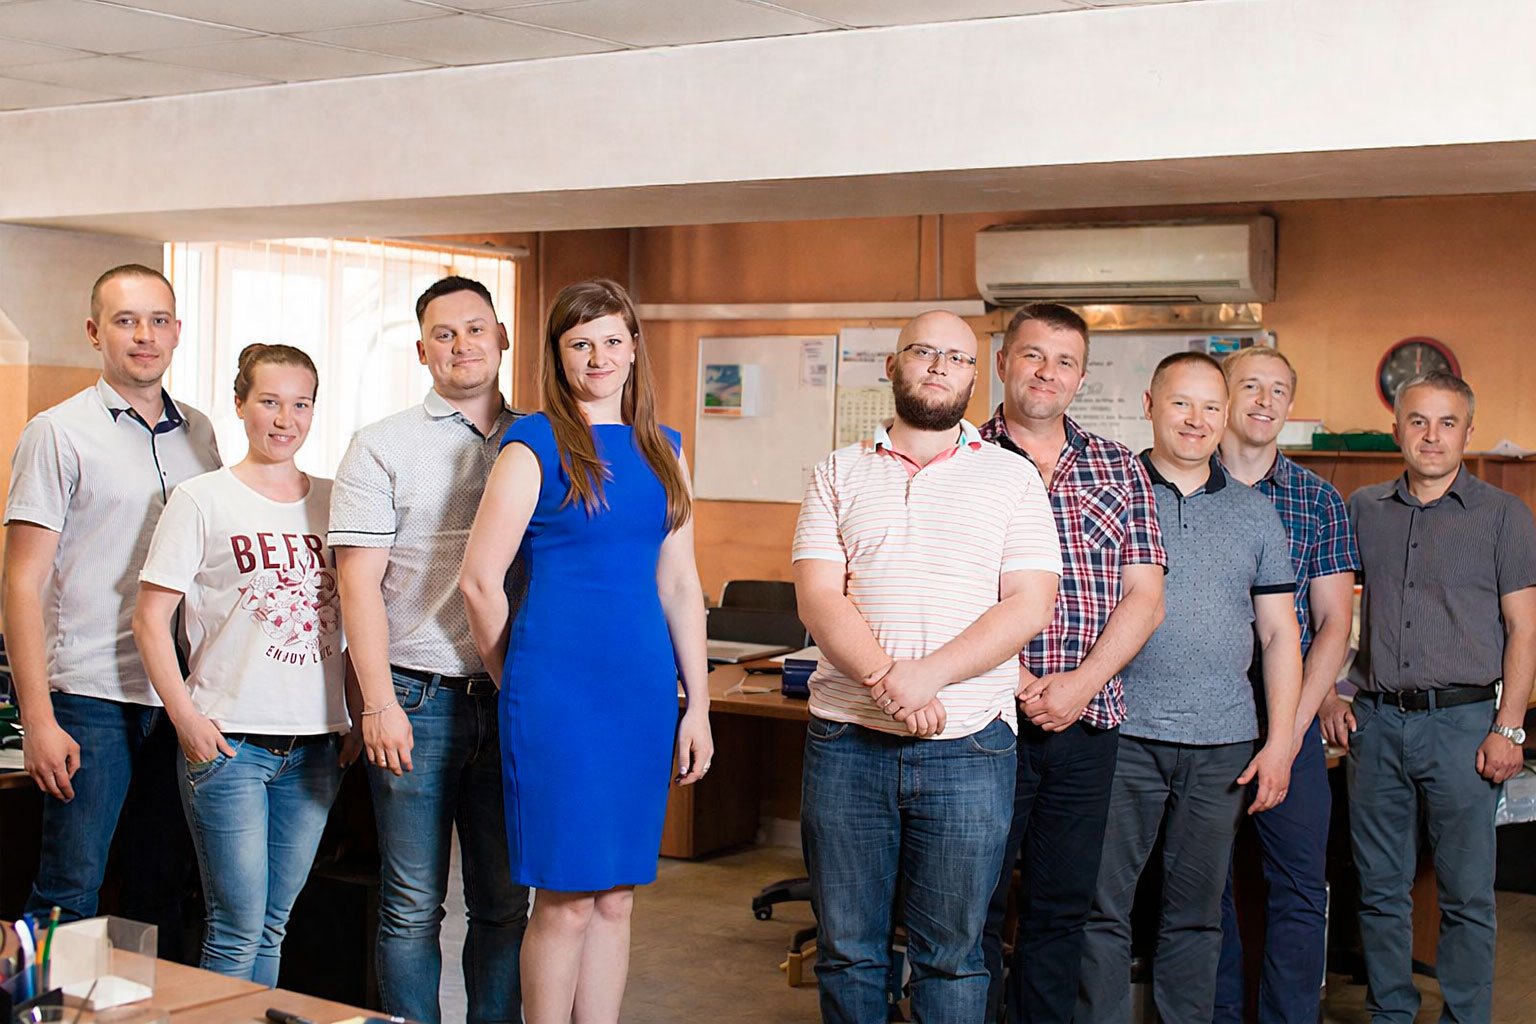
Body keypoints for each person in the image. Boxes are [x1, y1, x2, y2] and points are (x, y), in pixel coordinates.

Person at [794, 310, 1062, 1023]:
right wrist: (891, 682)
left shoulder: (1012, 476)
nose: (941, 366)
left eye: (958, 357)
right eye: (924, 352)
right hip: (847, 742)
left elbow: (1030, 603)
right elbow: (819, 597)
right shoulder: (838, 471)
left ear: (976, 376)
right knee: (848, 952)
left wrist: (928, 676)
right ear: (893, 365)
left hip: (970, 747)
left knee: (953, 957)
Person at [458, 278, 713, 1024]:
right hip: (557, 696)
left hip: (640, 695)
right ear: (557, 354)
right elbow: (479, 581)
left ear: (633, 348)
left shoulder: (665, 450)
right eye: (580, 344)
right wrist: (516, 678)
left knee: (617, 898)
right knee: (566, 899)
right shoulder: (533, 444)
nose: (597, 357)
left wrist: (697, 705)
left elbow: (679, 582)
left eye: (610, 340)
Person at [1076, 352, 1302, 1024]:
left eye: (1210, 406)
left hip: (1221, 745)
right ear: (1150, 405)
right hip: (1120, 732)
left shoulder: (1256, 514)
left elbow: (1279, 635)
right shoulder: (1113, 493)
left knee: (1197, 916)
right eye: (1181, 403)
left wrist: (1280, 742)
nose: (1196, 419)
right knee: (1101, 909)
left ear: (1226, 415)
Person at [330, 276, 529, 1024]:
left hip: (512, 698)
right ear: (422, 351)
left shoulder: (541, 440)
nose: (462, 345)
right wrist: (377, 704)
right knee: (412, 904)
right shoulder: (381, 445)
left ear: (501, 337)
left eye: (476, 329)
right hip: (416, 698)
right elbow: (357, 587)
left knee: (504, 902)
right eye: (443, 334)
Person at [2, 264, 220, 950]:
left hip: (177, 696)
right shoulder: (56, 433)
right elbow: (21, 583)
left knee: (162, 888)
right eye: (126, 321)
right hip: (90, 697)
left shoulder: (201, 433)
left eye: (158, 320)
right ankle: (34, 1002)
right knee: (70, 887)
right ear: (96, 332)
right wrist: (38, 719)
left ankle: (142, 1004)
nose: (144, 335)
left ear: (177, 332)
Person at [132, 343, 356, 984]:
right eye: (269, 402)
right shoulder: (201, 499)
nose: (285, 419)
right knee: (235, 930)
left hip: (316, 746)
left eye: (300, 404)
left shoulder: (338, 501)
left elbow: (360, 615)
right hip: (230, 745)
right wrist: (187, 720)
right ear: (239, 405)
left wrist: (360, 711)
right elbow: (149, 620)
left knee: (273, 924)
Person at [1322, 371, 1536, 1023]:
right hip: (1376, 725)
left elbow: (1525, 629)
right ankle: (1391, 1012)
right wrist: (1329, 692)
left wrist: (1509, 728)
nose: (1432, 436)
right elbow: (1332, 612)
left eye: (1447, 423)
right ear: (1397, 431)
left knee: (1467, 894)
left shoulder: (1504, 515)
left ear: (1468, 431)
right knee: (1379, 889)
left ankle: (1466, 1017)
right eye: (1418, 421)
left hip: (1465, 727)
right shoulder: (1362, 508)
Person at [976, 303, 1167, 1024]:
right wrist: (1022, 684)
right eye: (1032, 355)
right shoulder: (963, 457)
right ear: (1003, 362)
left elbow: (1145, 597)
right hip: (985, 721)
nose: (1046, 373)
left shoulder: (1118, 466)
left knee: (1061, 910)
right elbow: (947, 591)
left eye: (1064, 362)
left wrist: (1081, 686)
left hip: (1088, 725)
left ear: (1081, 377)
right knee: (975, 906)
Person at [1213, 347, 1359, 1024]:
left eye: (1278, 390)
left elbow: (1333, 625)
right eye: (1251, 386)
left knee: (1300, 887)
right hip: (1202, 708)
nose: (1265, 401)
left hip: (1289, 705)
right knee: (1202, 889)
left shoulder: (1318, 498)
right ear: (1225, 397)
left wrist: (1289, 733)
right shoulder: (1179, 482)